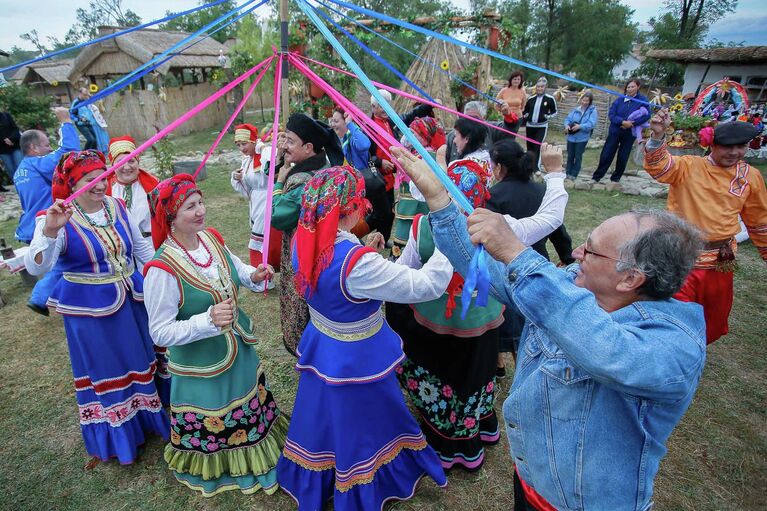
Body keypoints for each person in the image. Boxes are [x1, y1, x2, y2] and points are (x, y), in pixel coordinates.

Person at [393, 144, 707, 511]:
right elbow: (485, 271)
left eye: (590, 250)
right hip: (531, 482)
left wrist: (515, 252)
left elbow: (604, 350)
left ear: (631, 279)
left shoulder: (672, 347)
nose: (576, 254)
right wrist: (439, 201)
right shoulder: (573, 283)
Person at [276, 166, 449, 510]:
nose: (366, 207)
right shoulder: (356, 264)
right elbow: (426, 285)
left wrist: (365, 250)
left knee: (325, 413)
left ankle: (320, 469)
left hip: (326, 343)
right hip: (357, 355)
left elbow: (339, 275)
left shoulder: (303, 238)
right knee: (363, 418)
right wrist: (445, 247)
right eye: (361, 201)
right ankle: (360, 477)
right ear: (349, 209)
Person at [143, 173, 288, 497]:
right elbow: (160, 331)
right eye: (190, 207)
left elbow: (233, 269)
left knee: (249, 403)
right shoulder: (161, 269)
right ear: (170, 217)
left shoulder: (210, 238)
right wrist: (205, 321)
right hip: (202, 365)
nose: (200, 211)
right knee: (217, 416)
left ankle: (259, 447)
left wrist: (253, 275)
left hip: (238, 350)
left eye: (200, 202)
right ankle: (218, 464)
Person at [24, 149, 169, 465]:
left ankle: (150, 418)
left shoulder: (117, 206)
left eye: (103, 177)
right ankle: (123, 434)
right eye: (91, 180)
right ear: (74, 182)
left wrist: (162, 274)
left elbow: (141, 247)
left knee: (141, 358)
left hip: (131, 301)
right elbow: (37, 266)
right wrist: (50, 231)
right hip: (91, 315)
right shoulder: (57, 217)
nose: (100, 185)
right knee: (110, 368)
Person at [644, 111, 767, 343]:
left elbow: (758, 218)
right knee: (674, 306)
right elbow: (660, 166)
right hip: (681, 254)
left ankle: (696, 345)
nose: (734, 152)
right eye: (726, 147)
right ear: (711, 144)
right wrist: (658, 136)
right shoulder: (689, 166)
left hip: (720, 259)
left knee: (714, 310)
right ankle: (667, 344)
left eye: (740, 147)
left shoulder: (751, 176)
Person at [485, 139, 575, 377]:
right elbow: (557, 229)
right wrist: (567, 256)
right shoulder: (541, 191)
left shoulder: (492, 195)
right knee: (528, 319)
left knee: (502, 319)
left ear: (499, 167)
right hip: (536, 262)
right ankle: (522, 365)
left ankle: (500, 364)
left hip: (504, 267)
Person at [272, 113, 343, 357]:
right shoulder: (323, 165)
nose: (284, 146)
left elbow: (278, 216)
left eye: (290, 141)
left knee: (303, 305)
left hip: (303, 254)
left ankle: (307, 352)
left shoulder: (303, 180)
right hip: (321, 249)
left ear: (308, 147)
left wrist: (279, 183)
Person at [15, 107, 80, 315]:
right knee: (64, 262)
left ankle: (52, 296)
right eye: (45, 145)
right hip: (46, 221)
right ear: (33, 148)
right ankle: (40, 298)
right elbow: (68, 154)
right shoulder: (37, 164)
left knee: (58, 262)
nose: (49, 147)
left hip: (29, 224)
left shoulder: (20, 171)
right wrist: (66, 122)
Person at [368, 89, 435, 238]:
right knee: (380, 213)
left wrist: (430, 105)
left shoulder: (392, 121)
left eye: (387, 104)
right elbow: (364, 155)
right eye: (381, 105)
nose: (385, 108)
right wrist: (380, 162)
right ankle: (360, 232)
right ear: (373, 107)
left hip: (391, 177)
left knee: (389, 212)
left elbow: (411, 115)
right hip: (375, 175)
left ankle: (383, 239)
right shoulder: (367, 126)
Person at [231, 123, 282, 290]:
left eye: (244, 143)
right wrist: (237, 177)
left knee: (262, 238)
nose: (241, 148)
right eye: (238, 145)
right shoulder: (247, 160)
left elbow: (273, 171)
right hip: (256, 201)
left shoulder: (265, 152)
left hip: (268, 199)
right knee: (259, 236)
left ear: (254, 141)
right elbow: (247, 187)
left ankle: (264, 277)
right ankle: (262, 275)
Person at [329, 107, 390, 239]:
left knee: (382, 214)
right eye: (332, 121)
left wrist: (351, 123)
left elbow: (364, 145)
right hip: (363, 185)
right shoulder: (344, 138)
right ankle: (358, 238)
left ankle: (374, 239)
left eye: (336, 121)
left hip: (368, 182)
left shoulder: (353, 136)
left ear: (346, 121)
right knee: (380, 215)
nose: (333, 124)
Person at [391, 116, 445, 257]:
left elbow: (414, 178)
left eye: (414, 134)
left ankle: (401, 263)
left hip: (415, 208)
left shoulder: (428, 156)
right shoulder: (418, 153)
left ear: (424, 136)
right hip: (409, 206)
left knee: (407, 238)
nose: (409, 137)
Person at [591, 78, 650, 186]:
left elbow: (647, 115)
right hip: (615, 131)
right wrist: (622, 122)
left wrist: (632, 123)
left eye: (633, 86)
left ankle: (616, 178)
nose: (630, 89)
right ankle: (597, 176)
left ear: (638, 87)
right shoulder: (619, 100)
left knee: (623, 155)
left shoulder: (643, 100)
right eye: (628, 87)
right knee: (607, 154)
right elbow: (612, 115)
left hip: (629, 133)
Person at [106, 136, 158, 240]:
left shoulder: (153, 186)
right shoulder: (106, 190)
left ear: (138, 161)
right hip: (122, 247)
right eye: (120, 162)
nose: (127, 167)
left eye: (131, 161)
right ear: (113, 166)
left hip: (151, 244)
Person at [445, 101, 520, 164]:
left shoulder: (490, 129)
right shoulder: (452, 136)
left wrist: (508, 115)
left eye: (475, 118)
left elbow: (509, 129)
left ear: (483, 118)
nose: (470, 122)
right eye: (467, 118)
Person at [521, 77, 557, 169]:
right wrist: (526, 115)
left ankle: (536, 167)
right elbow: (525, 111)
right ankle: (529, 165)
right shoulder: (531, 99)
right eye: (538, 87)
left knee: (537, 145)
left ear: (545, 88)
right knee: (530, 147)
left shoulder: (550, 99)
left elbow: (554, 111)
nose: (540, 89)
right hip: (530, 126)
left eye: (542, 87)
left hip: (541, 126)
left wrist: (547, 116)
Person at [563, 91, 598, 179]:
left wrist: (580, 126)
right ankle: (568, 172)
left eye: (587, 101)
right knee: (570, 155)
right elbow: (568, 119)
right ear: (581, 100)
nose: (584, 102)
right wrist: (566, 125)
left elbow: (592, 123)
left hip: (582, 138)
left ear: (590, 102)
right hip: (571, 137)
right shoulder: (575, 110)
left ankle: (574, 174)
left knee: (578, 156)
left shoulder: (592, 111)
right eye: (583, 100)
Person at [495, 70, 527, 136]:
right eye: (515, 79)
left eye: (518, 79)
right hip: (506, 117)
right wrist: (501, 110)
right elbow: (496, 102)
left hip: (517, 118)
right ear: (511, 79)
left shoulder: (522, 91)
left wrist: (518, 111)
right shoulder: (504, 90)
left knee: (512, 135)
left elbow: (523, 105)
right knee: (504, 134)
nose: (517, 81)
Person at [0, 110, 23, 189]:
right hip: (2, 149)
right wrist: (4, 140)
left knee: (20, 167)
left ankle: (25, 186)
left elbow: (15, 129)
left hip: (15, 145)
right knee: (10, 170)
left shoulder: (6, 115)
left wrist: (11, 139)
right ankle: (18, 187)